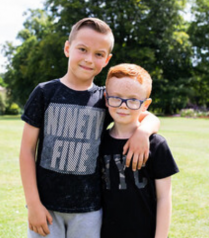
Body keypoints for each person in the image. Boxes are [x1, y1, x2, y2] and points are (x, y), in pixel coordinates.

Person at [19, 18, 160, 238]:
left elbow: (148, 115)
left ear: (107, 60)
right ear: (68, 48)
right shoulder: (44, 93)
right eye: (82, 49)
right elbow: (27, 150)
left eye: (98, 54)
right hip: (45, 208)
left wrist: (144, 131)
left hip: (89, 210)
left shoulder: (105, 98)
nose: (88, 59)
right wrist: (33, 203)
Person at [100, 63, 179, 238]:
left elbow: (164, 198)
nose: (123, 106)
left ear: (145, 104)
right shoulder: (99, 142)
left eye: (133, 100)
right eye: (116, 98)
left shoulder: (157, 145)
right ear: (106, 98)